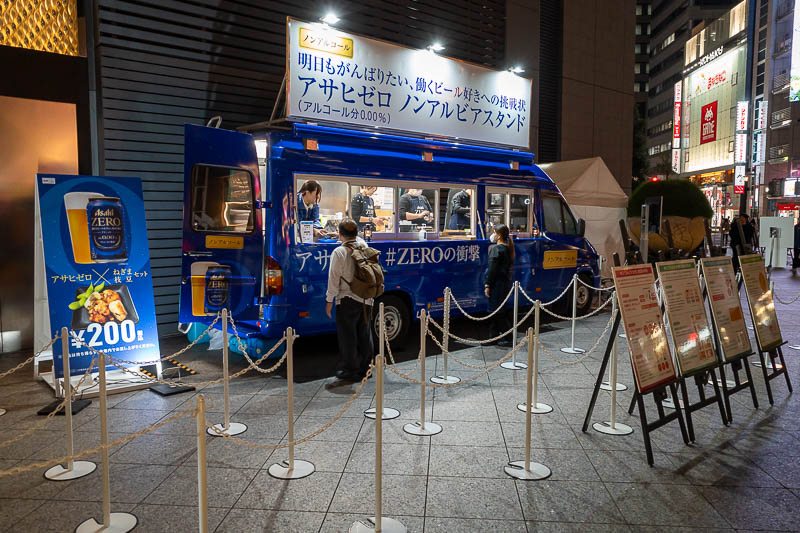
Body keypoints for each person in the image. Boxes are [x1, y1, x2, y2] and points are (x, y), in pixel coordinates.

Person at [325, 219, 374, 381]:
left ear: (340, 235)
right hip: (366, 298)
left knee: (348, 337)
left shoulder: (339, 252)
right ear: (357, 233)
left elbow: (333, 280)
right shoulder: (363, 245)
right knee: (365, 335)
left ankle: (350, 370)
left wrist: (329, 301)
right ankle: (366, 368)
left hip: (347, 300)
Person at [485, 224, 514, 347]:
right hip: (504, 283)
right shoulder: (508, 249)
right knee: (497, 311)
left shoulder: (496, 250)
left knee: (497, 312)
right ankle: (493, 337)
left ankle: (508, 336)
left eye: (494, 232)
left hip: (497, 284)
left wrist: (488, 284)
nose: (492, 234)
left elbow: (492, 270)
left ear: (499, 235)